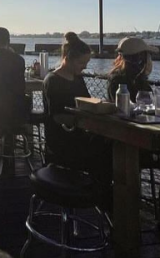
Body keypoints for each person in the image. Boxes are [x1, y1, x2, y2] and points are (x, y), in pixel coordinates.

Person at [42, 33, 111, 181]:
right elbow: (57, 116)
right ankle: (102, 194)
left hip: (78, 135)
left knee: (110, 146)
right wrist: (84, 122)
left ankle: (105, 192)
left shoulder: (78, 78)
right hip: (62, 140)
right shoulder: (52, 80)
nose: (85, 67)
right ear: (68, 58)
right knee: (106, 153)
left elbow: (86, 101)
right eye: (81, 63)